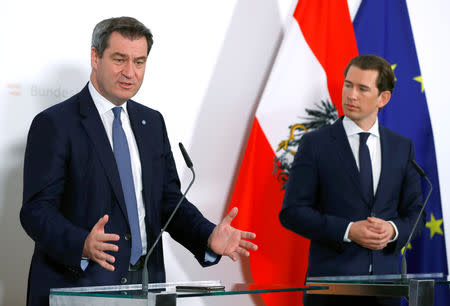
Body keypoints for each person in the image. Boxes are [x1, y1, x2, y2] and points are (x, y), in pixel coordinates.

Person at [20, 16, 257, 306]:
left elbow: (168, 201)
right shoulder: (56, 124)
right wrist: (81, 243)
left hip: (148, 284)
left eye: (139, 62)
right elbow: (36, 210)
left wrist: (207, 235)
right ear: (95, 57)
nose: (130, 72)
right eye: (119, 59)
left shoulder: (151, 122)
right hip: (82, 286)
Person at [279, 54, 425, 306]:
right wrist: (347, 230)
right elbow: (292, 212)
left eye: (362, 88)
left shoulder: (402, 147)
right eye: (348, 84)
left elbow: (417, 213)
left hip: (386, 291)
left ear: (383, 98)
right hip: (331, 290)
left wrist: (392, 230)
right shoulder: (315, 144)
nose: (351, 95)